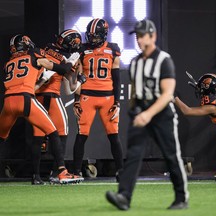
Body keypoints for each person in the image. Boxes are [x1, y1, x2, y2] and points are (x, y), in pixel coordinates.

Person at [105, 19, 189, 211]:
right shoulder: (135, 62)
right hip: (141, 111)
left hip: (161, 113)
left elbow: (167, 93)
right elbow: (136, 90)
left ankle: (181, 197)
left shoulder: (163, 60)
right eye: (137, 36)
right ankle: (124, 197)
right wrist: (134, 110)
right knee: (133, 154)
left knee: (171, 155)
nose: (139, 40)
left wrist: (148, 114)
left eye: (142, 35)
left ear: (153, 36)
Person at [0, 34, 84, 184]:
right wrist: (70, 62)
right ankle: (62, 172)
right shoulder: (35, 54)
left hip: (7, 102)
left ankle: (37, 176)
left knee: (1, 138)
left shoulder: (9, 63)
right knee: (53, 132)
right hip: (26, 99)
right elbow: (62, 69)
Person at [31, 29, 86, 185]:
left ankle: (35, 176)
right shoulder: (67, 58)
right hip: (51, 95)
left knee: (37, 136)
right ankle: (58, 172)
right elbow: (71, 88)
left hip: (36, 95)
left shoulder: (46, 48)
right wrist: (80, 77)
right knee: (62, 132)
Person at [72, 18, 124, 181]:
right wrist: (76, 99)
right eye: (90, 36)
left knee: (113, 135)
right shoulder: (82, 50)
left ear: (103, 35)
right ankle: (75, 171)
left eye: (95, 36)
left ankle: (121, 171)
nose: (91, 39)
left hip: (108, 97)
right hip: (87, 96)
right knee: (81, 135)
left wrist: (117, 102)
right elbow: (79, 78)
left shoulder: (113, 49)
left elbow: (116, 78)